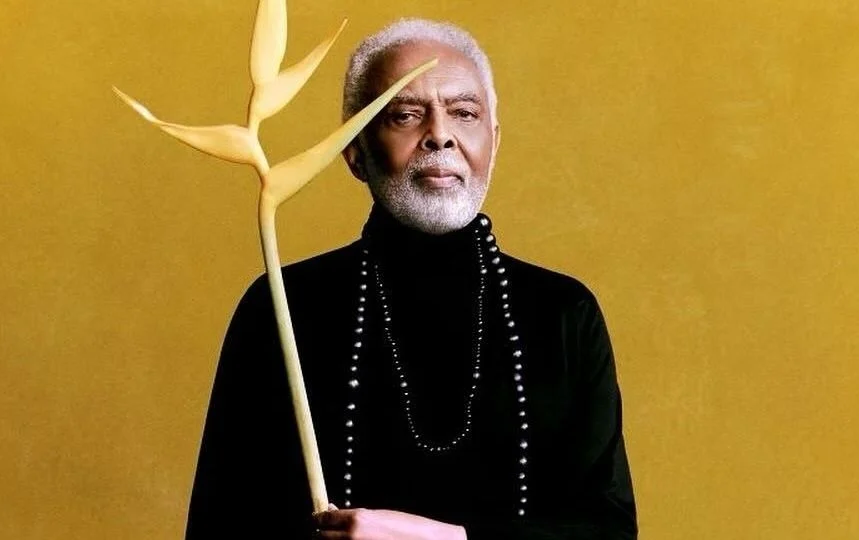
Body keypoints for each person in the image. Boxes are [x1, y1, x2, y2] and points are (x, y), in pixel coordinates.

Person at [185, 18, 637, 540]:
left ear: (493, 141)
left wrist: (441, 539)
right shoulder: (283, 307)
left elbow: (608, 530)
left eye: (464, 113)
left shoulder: (563, 313)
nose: (440, 135)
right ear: (354, 150)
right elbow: (220, 526)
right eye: (404, 115)